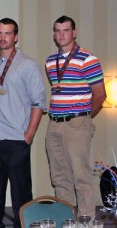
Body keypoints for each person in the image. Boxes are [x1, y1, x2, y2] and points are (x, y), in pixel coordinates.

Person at [0, 18, 46, 228]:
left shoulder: (28, 64)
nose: (2, 37)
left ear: (16, 37)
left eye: (7, 33)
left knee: (20, 193)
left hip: (17, 138)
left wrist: (29, 135)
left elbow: (38, 103)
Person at [45, 15, 106, 217]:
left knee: (81, 177)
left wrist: (85, 119)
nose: (61, 34)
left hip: (77, 123)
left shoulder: (88, 59)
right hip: (54, 125)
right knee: (59, 177)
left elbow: (100, 95)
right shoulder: (50, 61)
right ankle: (66, 220)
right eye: (57, 30)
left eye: (65, 30)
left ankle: (86, 222)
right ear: (54, 34)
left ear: (74, 32)